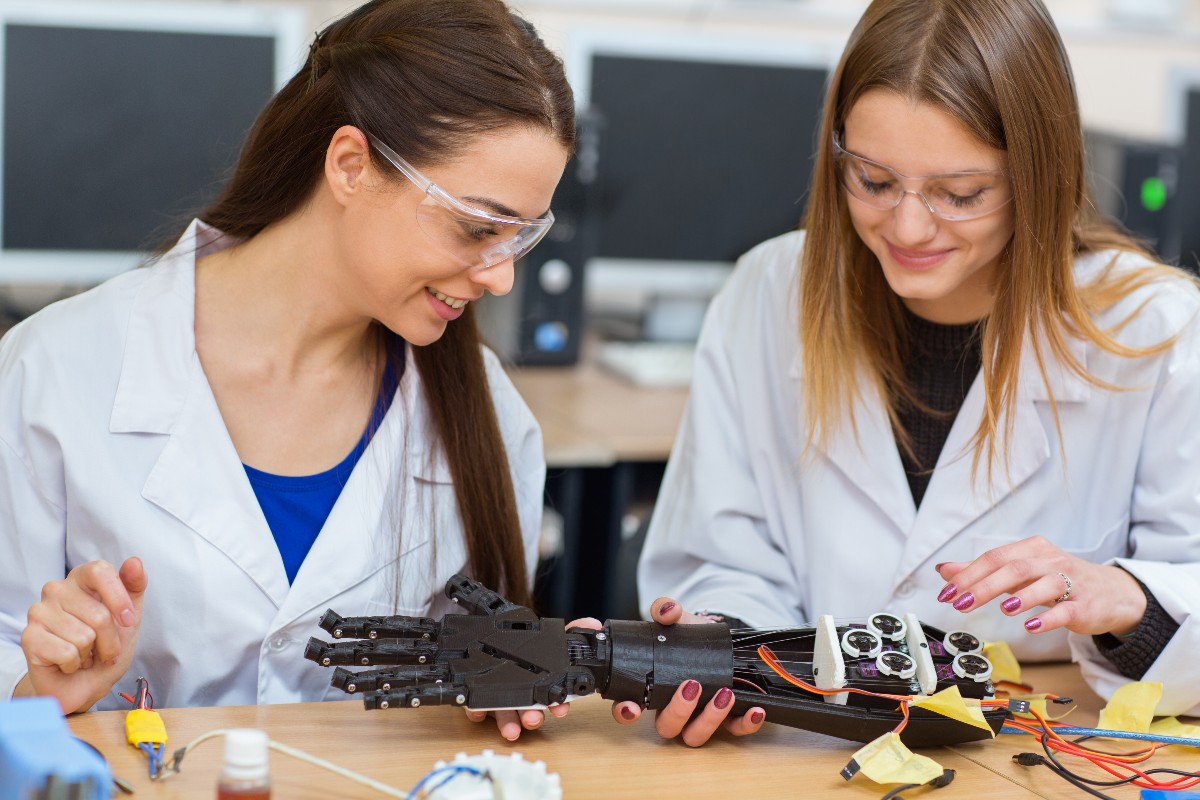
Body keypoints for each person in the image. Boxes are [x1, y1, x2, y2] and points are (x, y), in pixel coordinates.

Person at [623, 0, 1200, 746]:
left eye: (960, 195)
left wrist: (1126, 600)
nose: (908, 228)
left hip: (1043, 745)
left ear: (1039, 174)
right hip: (801, 741)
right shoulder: (768, 293)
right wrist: (725, 643)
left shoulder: (1156, 328)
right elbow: (719, 557)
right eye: (872, 180)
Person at [0, 0, 574, 741]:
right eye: (476, 228)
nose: (501, 279)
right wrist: (39, 689)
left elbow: (474, 724)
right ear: (350, 166)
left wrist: (530, 677)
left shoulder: (486, 414)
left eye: (520, 238)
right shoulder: (53, 371)